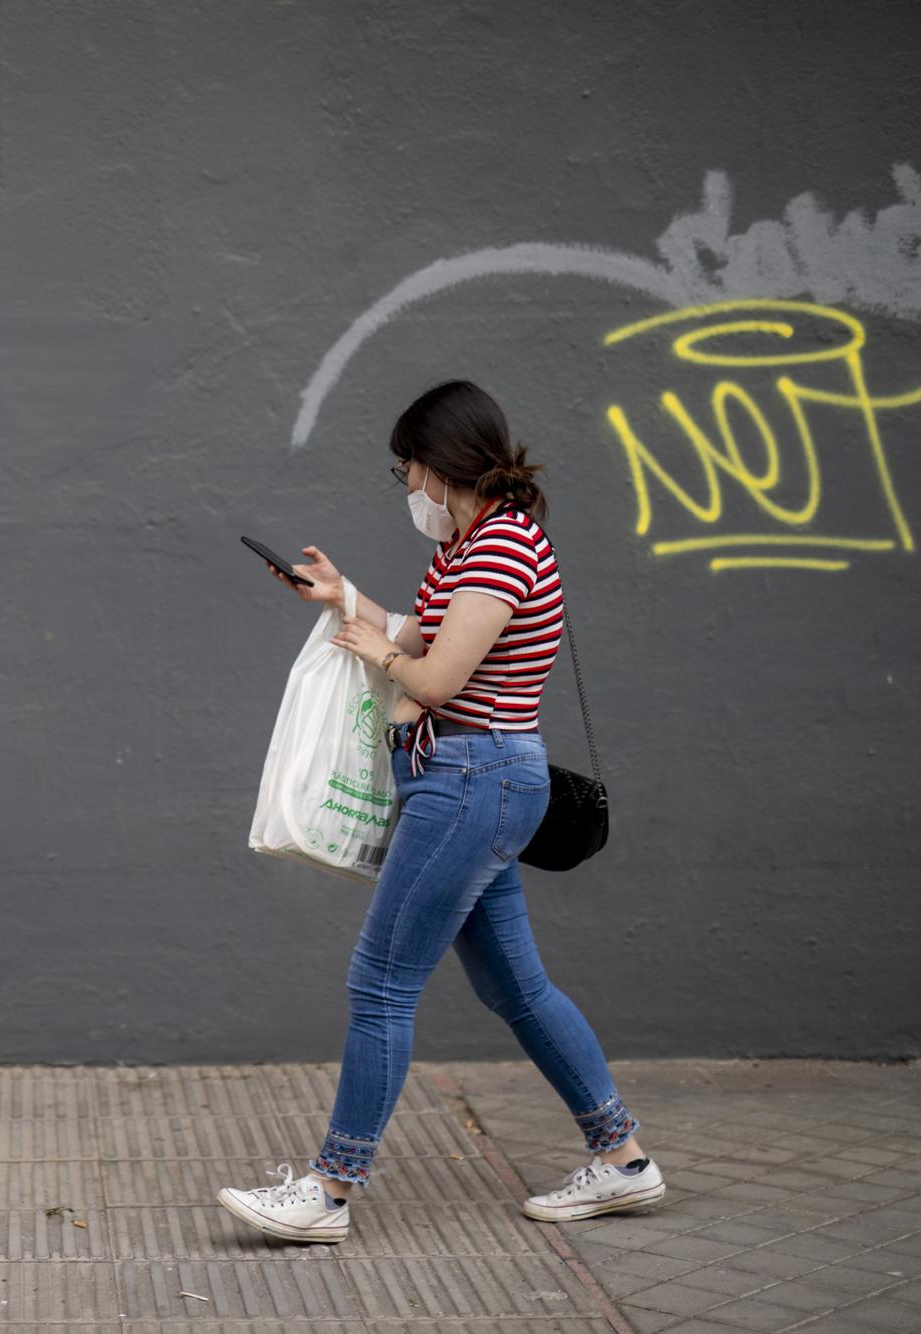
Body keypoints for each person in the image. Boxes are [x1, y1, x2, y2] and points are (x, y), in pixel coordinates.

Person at [217, 380, 661, 1245]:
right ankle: (624, 1160)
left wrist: (380, 653)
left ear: (441, 463)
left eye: (408, 467)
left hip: (470, 781)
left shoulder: (500, 548)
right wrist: (341, 597)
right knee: (515, 988)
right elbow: (418, 634)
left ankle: (328, 1191)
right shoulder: (471, 547)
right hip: (466, 782)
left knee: (380, 984)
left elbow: (435, 679)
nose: (408, 485)